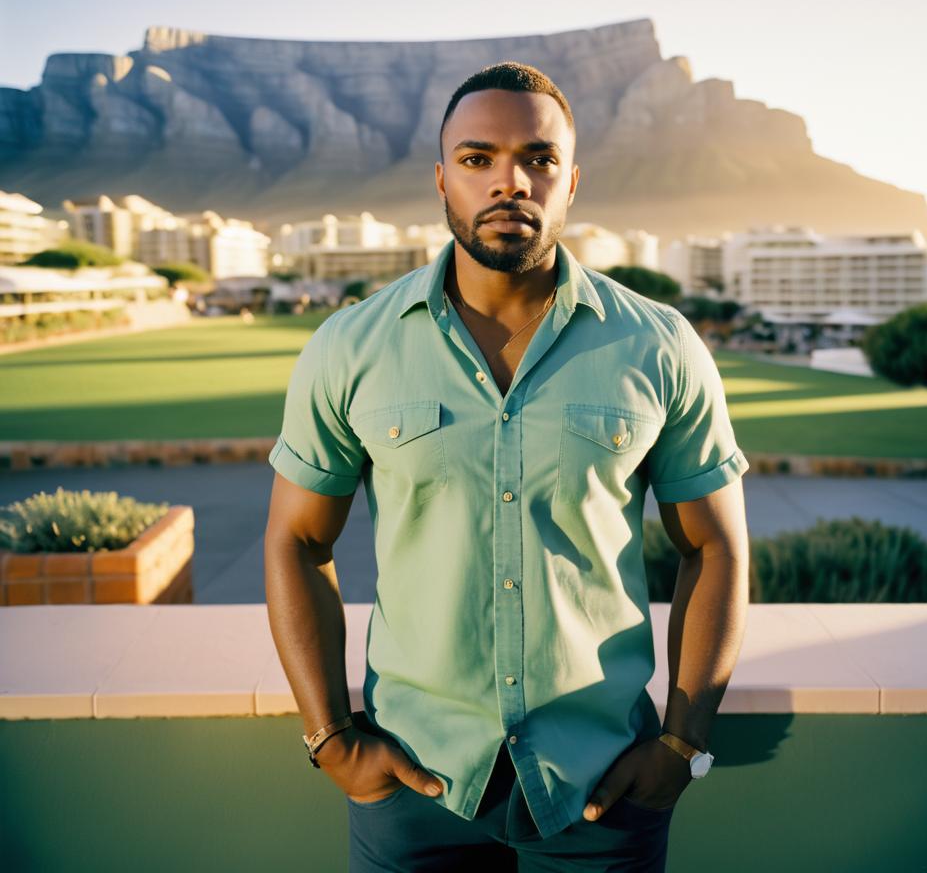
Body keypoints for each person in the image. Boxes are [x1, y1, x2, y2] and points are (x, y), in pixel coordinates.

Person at [264, 61, 751, 871]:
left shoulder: (660, 345)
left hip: (606, 791)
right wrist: (331, 740)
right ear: (441, 179)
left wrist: (681, 745)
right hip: (413, 793)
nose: (510, 182)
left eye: (539, 158)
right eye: (478, 158)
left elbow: (718, 548)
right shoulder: (350, 348)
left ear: (571, 182)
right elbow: (295, 542)